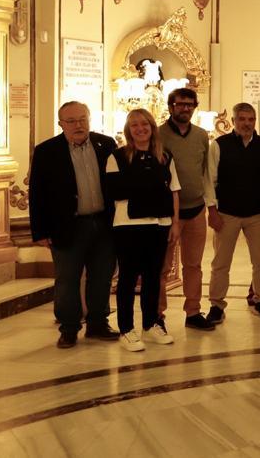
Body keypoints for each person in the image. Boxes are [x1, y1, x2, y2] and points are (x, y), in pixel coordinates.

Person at [29, 102, 120, 348]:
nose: (78, 125)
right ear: (61, 124)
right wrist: (40, 231)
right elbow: (37, 193)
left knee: (102, 276)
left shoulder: (106, 144)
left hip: (103, 223)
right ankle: (68, 328)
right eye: (71, 121)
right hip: (67, 225)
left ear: (89, 119)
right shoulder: (47, 151)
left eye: (82, 119)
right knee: (67, 279)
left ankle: (98, 323)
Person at [105, 109, 181, 352]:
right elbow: (115, 191)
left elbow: (174, 191)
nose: (140, 128)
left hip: (159, 224)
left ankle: (150, 323)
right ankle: (127, 329)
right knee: (128, 278)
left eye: (144, 124)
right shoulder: (116, 157)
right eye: (134, 125)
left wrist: (175, 222)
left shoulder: (165, 156)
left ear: (151, 127)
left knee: (152, 277)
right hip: (128, 225)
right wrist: (149, 187)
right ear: (129, 130)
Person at [206, 103, 260, 322]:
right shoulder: (218, 145)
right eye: (243, 119)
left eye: (251, 119)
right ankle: (217, 305)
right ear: (234, 121)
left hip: (258, 213)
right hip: (227, 213)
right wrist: (212, 211)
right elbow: (209, 179)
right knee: (221, 262)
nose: (247, 123)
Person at [157, 88, 215, 331]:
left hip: (195, 209)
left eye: (190, 105)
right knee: (162, 266)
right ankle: (157, 313)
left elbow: (204, 172)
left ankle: (193, 312)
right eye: (180, 104)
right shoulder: (158, 135)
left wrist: (211, 205)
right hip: (168, 213)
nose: (185, 108)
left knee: (193, 265)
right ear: (171, 106)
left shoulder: (201, 135)